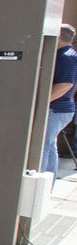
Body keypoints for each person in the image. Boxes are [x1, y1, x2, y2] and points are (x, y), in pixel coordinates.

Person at [42, 24, 77, 184]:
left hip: (56, 109)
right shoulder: (69, 54)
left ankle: (42, 183)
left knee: (42, 147)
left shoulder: (65, 56)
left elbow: (65, 84)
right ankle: (48, 184)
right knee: (49, 145)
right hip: (61, 109)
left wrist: (42, 101)